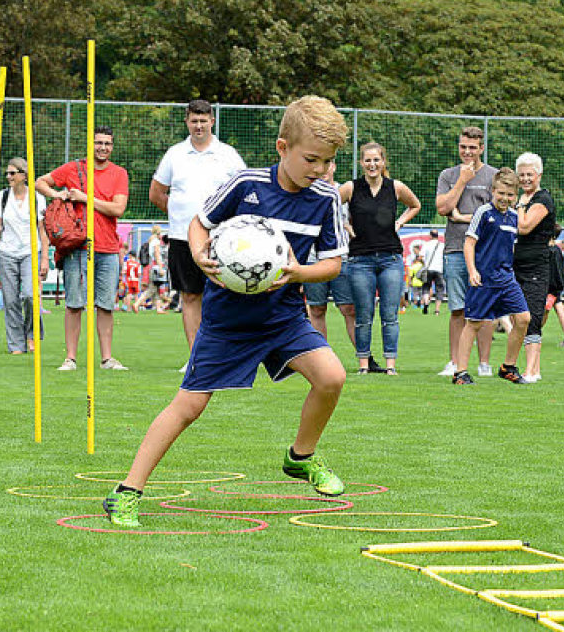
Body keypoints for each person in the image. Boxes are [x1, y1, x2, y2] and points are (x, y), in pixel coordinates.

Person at [102, 95, 350, 528]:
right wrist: (200, 256)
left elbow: (333, 264)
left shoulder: (326, 199)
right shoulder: (245, 184)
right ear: (282, 147)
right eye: (311, 159)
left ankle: (301, 457)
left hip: (284, 318)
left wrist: (297, 272)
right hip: (227, 323)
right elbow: (200, 223)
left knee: (332, 376)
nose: (319, 170)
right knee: (188, 406)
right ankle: (127, 491)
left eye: (327, 162)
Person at [150, 99, 246, 369]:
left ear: (212, 121)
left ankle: (224, 354)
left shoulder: (228, 154)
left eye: (204, 121)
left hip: (220, 239)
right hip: (182, 238)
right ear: (187, 122)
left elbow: (244, 192)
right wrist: (181, 214)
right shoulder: (174, 154)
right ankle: (197, 358)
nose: (199, 126)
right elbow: (157, 192)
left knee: (225, 296)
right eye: (194, 121)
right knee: (190, 296)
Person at [36, 126, 130, 371]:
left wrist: (84, 198)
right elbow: (40, 183)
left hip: (108, 247)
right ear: (91, 144)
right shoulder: (73, 169)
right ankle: (70, 358)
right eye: (99, 143)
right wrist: (59, 195)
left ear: (112, 146)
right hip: (77, 246)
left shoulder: (119, 174)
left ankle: (107, 358)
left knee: (106, 304)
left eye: (107, 143)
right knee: (74, 303)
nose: (103, 147)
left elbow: (117, 209)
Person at [339, 142, 421, 375]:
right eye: (368, 160)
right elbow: (329, 205)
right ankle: (363, 365)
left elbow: (415, 205)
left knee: (389, 315)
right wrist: (344, 225)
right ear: (361, 163)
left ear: (383, 162)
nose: (372, 164)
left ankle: (390, 365)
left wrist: (399, 223)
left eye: (376, 160)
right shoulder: (351, 188)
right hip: (360, 260)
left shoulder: (395, 187)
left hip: (390, 259)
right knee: (363, 315)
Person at [453, 168, 529, 386]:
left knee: (523, 319)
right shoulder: (483, 213)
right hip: (484, 278)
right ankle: (460, 372)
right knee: (474, 323)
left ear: (515, 195)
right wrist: (472, 271)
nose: (505, 198)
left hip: (506, 279)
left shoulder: (515, 217)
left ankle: (508, 367)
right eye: (501, 193)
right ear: (492, 191)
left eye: (510, 195)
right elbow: (469, 243)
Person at [436, 127, 497, 377]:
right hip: (455, 249)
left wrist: (462, 217)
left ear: (481, 148)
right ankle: (454, 361)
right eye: (463, 146)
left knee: (485, 309)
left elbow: (497, 212)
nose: (467, 152)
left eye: (473, 147)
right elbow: (443, 208)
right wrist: (462, 180)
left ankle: (484, 364)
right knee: (457, 309)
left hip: (486, 252)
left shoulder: (494, 176)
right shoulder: (448, 175)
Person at [303, 160, 361, 368]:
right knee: (317, 310)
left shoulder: (344, 192)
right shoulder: (305, 191)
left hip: (341, 257)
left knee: (349, 308)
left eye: (328, 164)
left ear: (334, 166)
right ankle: (322, 360)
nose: (324, 169)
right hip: (312, 259)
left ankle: (364, 358)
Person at [0, 158, 49, 354]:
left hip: (30, 252)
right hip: (6, 253)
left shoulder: (37, 198)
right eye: (7, 173)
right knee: (10, 300)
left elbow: (43, 231)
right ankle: (16, 344)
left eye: (12, 173)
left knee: (29, 295)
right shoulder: (2, 197)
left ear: (24, 175)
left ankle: (32, 334)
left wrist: (44, 259)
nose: (8, 177)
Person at [511, 153, 556, 383]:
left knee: (532, 316)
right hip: (516, 265)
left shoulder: (542, 200)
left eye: (530, 174)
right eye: (522, 175)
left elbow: (525, 226)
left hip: (536, 266)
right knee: (519, 316)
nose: (526, 179)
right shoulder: (522, 200)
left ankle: (530, 371)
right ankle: (533, 369)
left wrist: (518, 205)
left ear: (539, 175)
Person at [544, 228, 564, 347]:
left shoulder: (548, 250)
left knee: (545, 311)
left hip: (549, 285)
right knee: (558, 309)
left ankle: (533, 334)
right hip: (557, 284)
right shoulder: (557, 250)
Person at [419, 229, 445, 314]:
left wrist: (425, 264)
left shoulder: (426, 244)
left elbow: (420, 257)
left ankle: (426, 302)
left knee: (426, 287)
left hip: (428, 269)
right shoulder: (442, 245)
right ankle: (437, 310)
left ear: (430, 235)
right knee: (439, 289)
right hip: (439, 269)